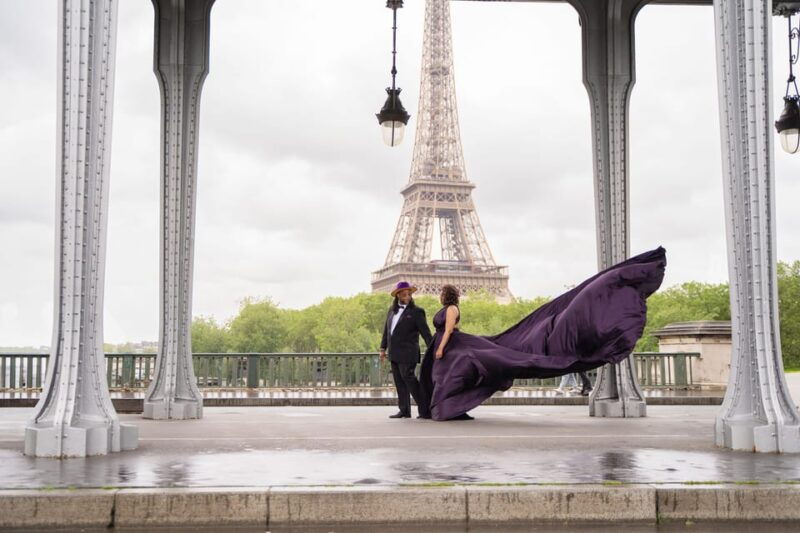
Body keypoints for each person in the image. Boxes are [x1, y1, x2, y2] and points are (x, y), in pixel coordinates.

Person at [420, 247, 666, 421]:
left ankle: (449, 408)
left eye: (442, 294)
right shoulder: (447, 308)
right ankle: (448, 407)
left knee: (450, 375)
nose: (440, 296)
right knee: (448, 376)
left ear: (447, 296)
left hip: (449, 346)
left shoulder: (451, 309)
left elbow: (449, 329)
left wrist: (441, 348)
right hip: (448, 346)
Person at [380, 281, 434, 419]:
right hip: (394, 352)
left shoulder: (417, 312)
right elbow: (387, 331)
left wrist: (433, 349)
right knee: (399, 382)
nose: (407, 295)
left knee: (409, 379)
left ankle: (425, 409)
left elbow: (426, 333)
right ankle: (404, 410)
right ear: (398, 295)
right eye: (404, 293)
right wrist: (382, 348)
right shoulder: (391, 311)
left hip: (408, 352)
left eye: (409, 293)